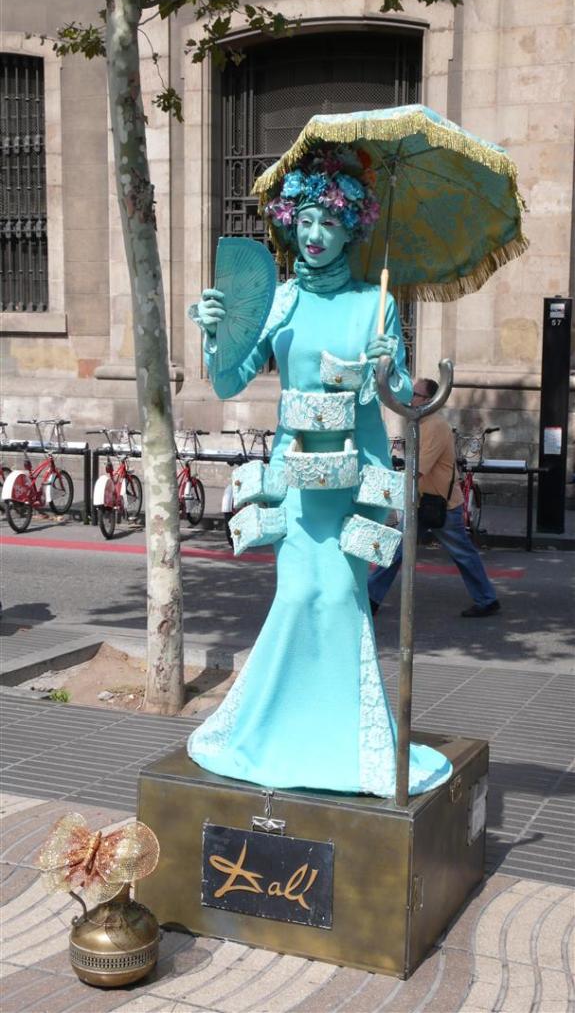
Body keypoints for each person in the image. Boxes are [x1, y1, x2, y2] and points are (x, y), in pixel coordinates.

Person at [187, 145, 452, 797]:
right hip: (298, 478)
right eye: (304, 220)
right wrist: (214, 334)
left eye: (328, 222)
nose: (314, 234)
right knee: (299, 595)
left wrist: (389, 365)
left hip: (357, 479)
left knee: (339, 597)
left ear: (351, 228)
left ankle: (344, 741)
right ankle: (278, 733)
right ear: (289, 223)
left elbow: (399, 400)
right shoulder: (278, 301)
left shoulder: (375, 303)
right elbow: (228, 381)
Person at [369, 377, 501, 618]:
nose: (410, 398)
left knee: (462, 554)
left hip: (441, 504)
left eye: (416, 394)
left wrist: (385, 487)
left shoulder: (434, 426)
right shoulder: (420, 424)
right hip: (422, 502)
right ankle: (371, 598)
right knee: (396, 549)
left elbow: (419, 468)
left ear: (429, 400)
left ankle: (487, 599)